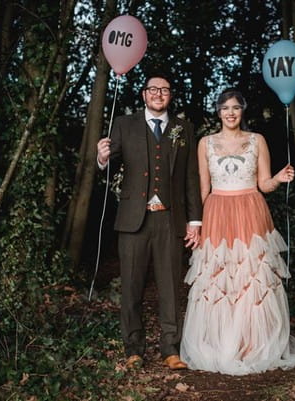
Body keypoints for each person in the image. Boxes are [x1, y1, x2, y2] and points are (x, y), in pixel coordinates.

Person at [180, 89, 295, 375]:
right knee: (219, 276)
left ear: (242, 111)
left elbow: (264, 184)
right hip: (217, 211)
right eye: (224, 108)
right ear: (218, 112)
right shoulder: (205, 143)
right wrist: (195, 223)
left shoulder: (257, 140)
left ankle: (252, 343)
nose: (230, 113)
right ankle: (218, 342)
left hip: (250, 209)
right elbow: (203, 189)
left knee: (252, 275)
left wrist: (279, 178)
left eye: (235, 108)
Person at [96, 74, 202, 370]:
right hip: (133, 220)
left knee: (170, 286)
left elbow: (190, 176)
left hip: (170, 219)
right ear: (144, 94)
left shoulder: (184, 129)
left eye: (165, 90)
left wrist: (195, 220)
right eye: (153, 89)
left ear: (170, 95)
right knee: (131, 287)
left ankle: (171, 348)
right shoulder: (124, 124)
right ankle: (134, 349)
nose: (159, 94)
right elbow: (108, 164)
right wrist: (102, 158)